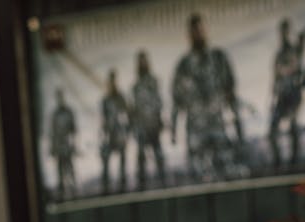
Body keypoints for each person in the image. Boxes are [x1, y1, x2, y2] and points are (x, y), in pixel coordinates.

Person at [170, 12, 245, 182]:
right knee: (199, 179)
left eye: (200, 29)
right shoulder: (183, 66)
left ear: (205, 30)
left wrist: (238, 124)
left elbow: (230, 92)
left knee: (228, 174)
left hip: (218, 127)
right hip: (196, 133)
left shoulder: (218, 58)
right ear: (188, 35)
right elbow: (176, 100)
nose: (198, 33)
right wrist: (174, 131)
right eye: (194, 31)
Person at [268, 18, 305, 170]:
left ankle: (295, 162)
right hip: (281, 98)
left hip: (293, 96)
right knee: (272, 131)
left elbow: (302, 73)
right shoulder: (278, 55)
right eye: (282, 31)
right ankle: (278, 162)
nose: (284, 34)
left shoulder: (295, 51)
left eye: (286, 31)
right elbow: (275, 79)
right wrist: (272, 99)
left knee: (294, 127)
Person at [131, 50, 166, 189]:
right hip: (141, 127)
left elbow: (158, 103)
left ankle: (162, 183)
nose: (142, 64)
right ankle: (142, 186)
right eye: (140, 61)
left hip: (153, 126)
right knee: (141, 158)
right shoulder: (135, 86)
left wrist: (158, 120)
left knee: (158, 156)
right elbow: (135, 108)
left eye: (144, 60)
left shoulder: (153, 81)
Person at [99, 69, 130, 193]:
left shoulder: (121, 98)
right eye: (110, 81)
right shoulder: (105, 100)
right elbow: (103, 118)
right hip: (109, 134)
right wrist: (103, 133)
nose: (111, 84)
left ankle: (123, 185)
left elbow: (126, 114)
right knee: (106, 159)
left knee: (122, 159)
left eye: (113, 81)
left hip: (119, 133)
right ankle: (106, 186)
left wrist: (125, 131)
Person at [49, 88, 77, 199]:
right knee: (60, 168)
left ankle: (73, 190)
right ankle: (61, 191)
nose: (60, 99)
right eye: (58, 97)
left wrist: (72, 142)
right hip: (59, 145)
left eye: (61, 97)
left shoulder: (68, 112)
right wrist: (53, 147)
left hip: (67, 144)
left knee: (69, 167)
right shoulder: (55, 114)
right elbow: (53, 132)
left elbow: (73, 129)